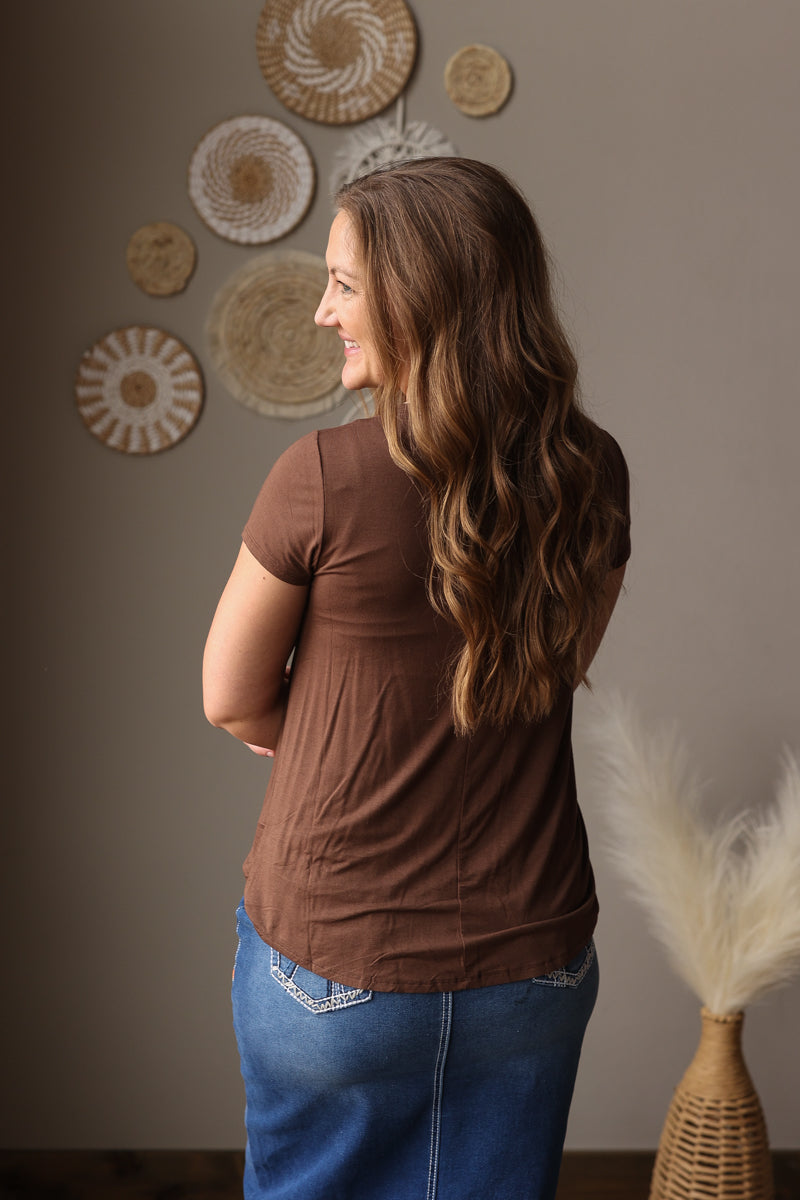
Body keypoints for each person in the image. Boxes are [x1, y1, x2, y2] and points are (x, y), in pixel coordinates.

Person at [203, 157, 631, 1200]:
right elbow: (563, 663)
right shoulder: (592, 470)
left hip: (335, 974)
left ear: (417, 296)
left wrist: (302, 725)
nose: (319, 312)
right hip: (528, 971)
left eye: (344, 284)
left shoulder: (319, 478)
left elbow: (227, 694)